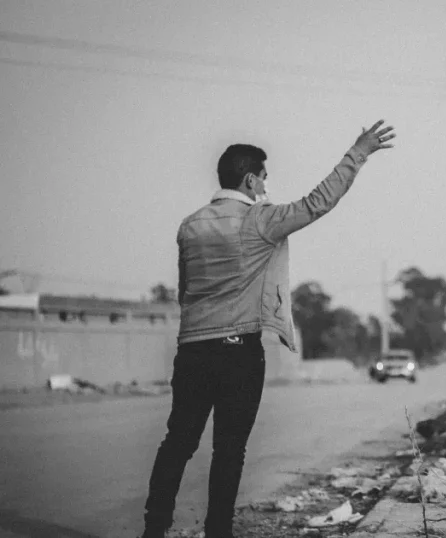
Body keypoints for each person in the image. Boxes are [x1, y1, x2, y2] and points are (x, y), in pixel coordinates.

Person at [140, 120, 396, 538]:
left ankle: (154, 528)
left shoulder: (190, 225)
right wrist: (359, 151)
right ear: (249, 178)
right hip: (237, 351)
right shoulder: (260, 220)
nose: (265, 186)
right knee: (229, 449)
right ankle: (217, 531)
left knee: (178, 442)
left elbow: (185, 290)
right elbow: (318, 202)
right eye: (263, 179)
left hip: (191, 350)